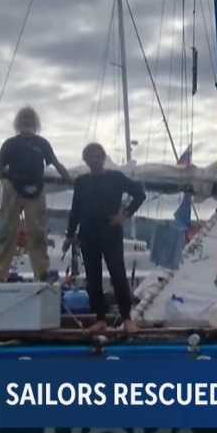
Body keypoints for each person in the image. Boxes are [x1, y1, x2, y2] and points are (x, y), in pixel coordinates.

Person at [63, 143, 146, 333]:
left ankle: (127, 319)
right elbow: (75, 209)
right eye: (90, 156)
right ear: (85, 160)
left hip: (110, 231)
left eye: (97, 155)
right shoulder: (81, 182)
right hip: (87, 233)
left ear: (103, 157)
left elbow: (140, 194)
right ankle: (100, 319)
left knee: (118, 274)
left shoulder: (115, 177)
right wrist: (69, 235)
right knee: (93, 278)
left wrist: (125, 214)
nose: (94, 158)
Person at [0, 106, 72, 283]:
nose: (27, 121)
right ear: (18, 122)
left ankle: (41, 272)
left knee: (38, 232)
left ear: (35, 122)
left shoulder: (42, 144)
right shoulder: (10, 144)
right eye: (23, 118)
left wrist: (70, 180)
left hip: (36, 190)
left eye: (30, 118)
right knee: (6, 231)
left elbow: (55, 163)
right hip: (12, 188)